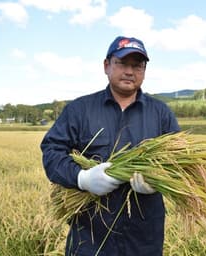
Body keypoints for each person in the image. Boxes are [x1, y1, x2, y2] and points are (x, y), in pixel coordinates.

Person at [40, 36, 180, 256]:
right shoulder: (80, 110)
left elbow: (180, 164)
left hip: (144, 240)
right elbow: (52, 153)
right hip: (90, 239)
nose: (130, 71)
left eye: (137, 65)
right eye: (122, 63)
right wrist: (82, 178)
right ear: (107, 66)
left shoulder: (161, 114)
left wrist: (157, 181)